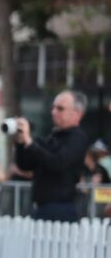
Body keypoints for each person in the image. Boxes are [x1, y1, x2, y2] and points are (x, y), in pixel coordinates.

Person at [14, 90, 88, 222]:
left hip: (60, 209)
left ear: (77, 113)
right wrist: (21, 143)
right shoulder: (53, 137)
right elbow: (25, 165)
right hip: (41, 207)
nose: (54, 112)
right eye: (53, 107)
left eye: (60, 109)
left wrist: (30, 143)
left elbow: (57, 163)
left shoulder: (77, 138)